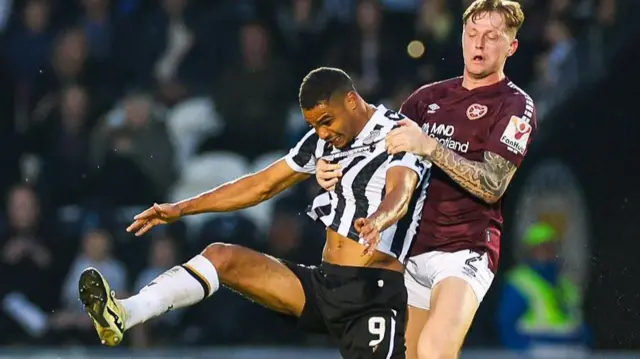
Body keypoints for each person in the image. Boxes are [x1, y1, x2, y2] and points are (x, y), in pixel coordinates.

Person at [78, 67, 431, 358]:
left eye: (327, 121)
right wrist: (181, 209)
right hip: (326, 284)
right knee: (221, 257)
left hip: (375, 294)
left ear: (352, 101)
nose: (323, 133)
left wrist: (381, 220)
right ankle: (126, 312)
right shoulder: (322, 140)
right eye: (314, 126)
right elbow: (260, 185)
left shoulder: (399, 133)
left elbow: (401, 189)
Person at [315, 1, 538, 358]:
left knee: (435, 350)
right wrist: (331, 169)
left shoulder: (514, 105)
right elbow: (377, 153)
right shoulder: (426, 99)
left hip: (465, 250)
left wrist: (431, 147)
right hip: (410, 251)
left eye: (492, 37)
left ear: (511, 47)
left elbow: (493, 184)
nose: (479, 45)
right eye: (473, 34)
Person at [498, 222, 590, 357]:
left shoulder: (565, 284)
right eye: (541, 247)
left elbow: (576, 320)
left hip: (572, 350)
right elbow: (506, 323)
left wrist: (585, 341)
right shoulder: (521, 282)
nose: (547, 252)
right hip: (539, 350)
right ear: (530, 252)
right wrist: (523, 352)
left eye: (550, 247)